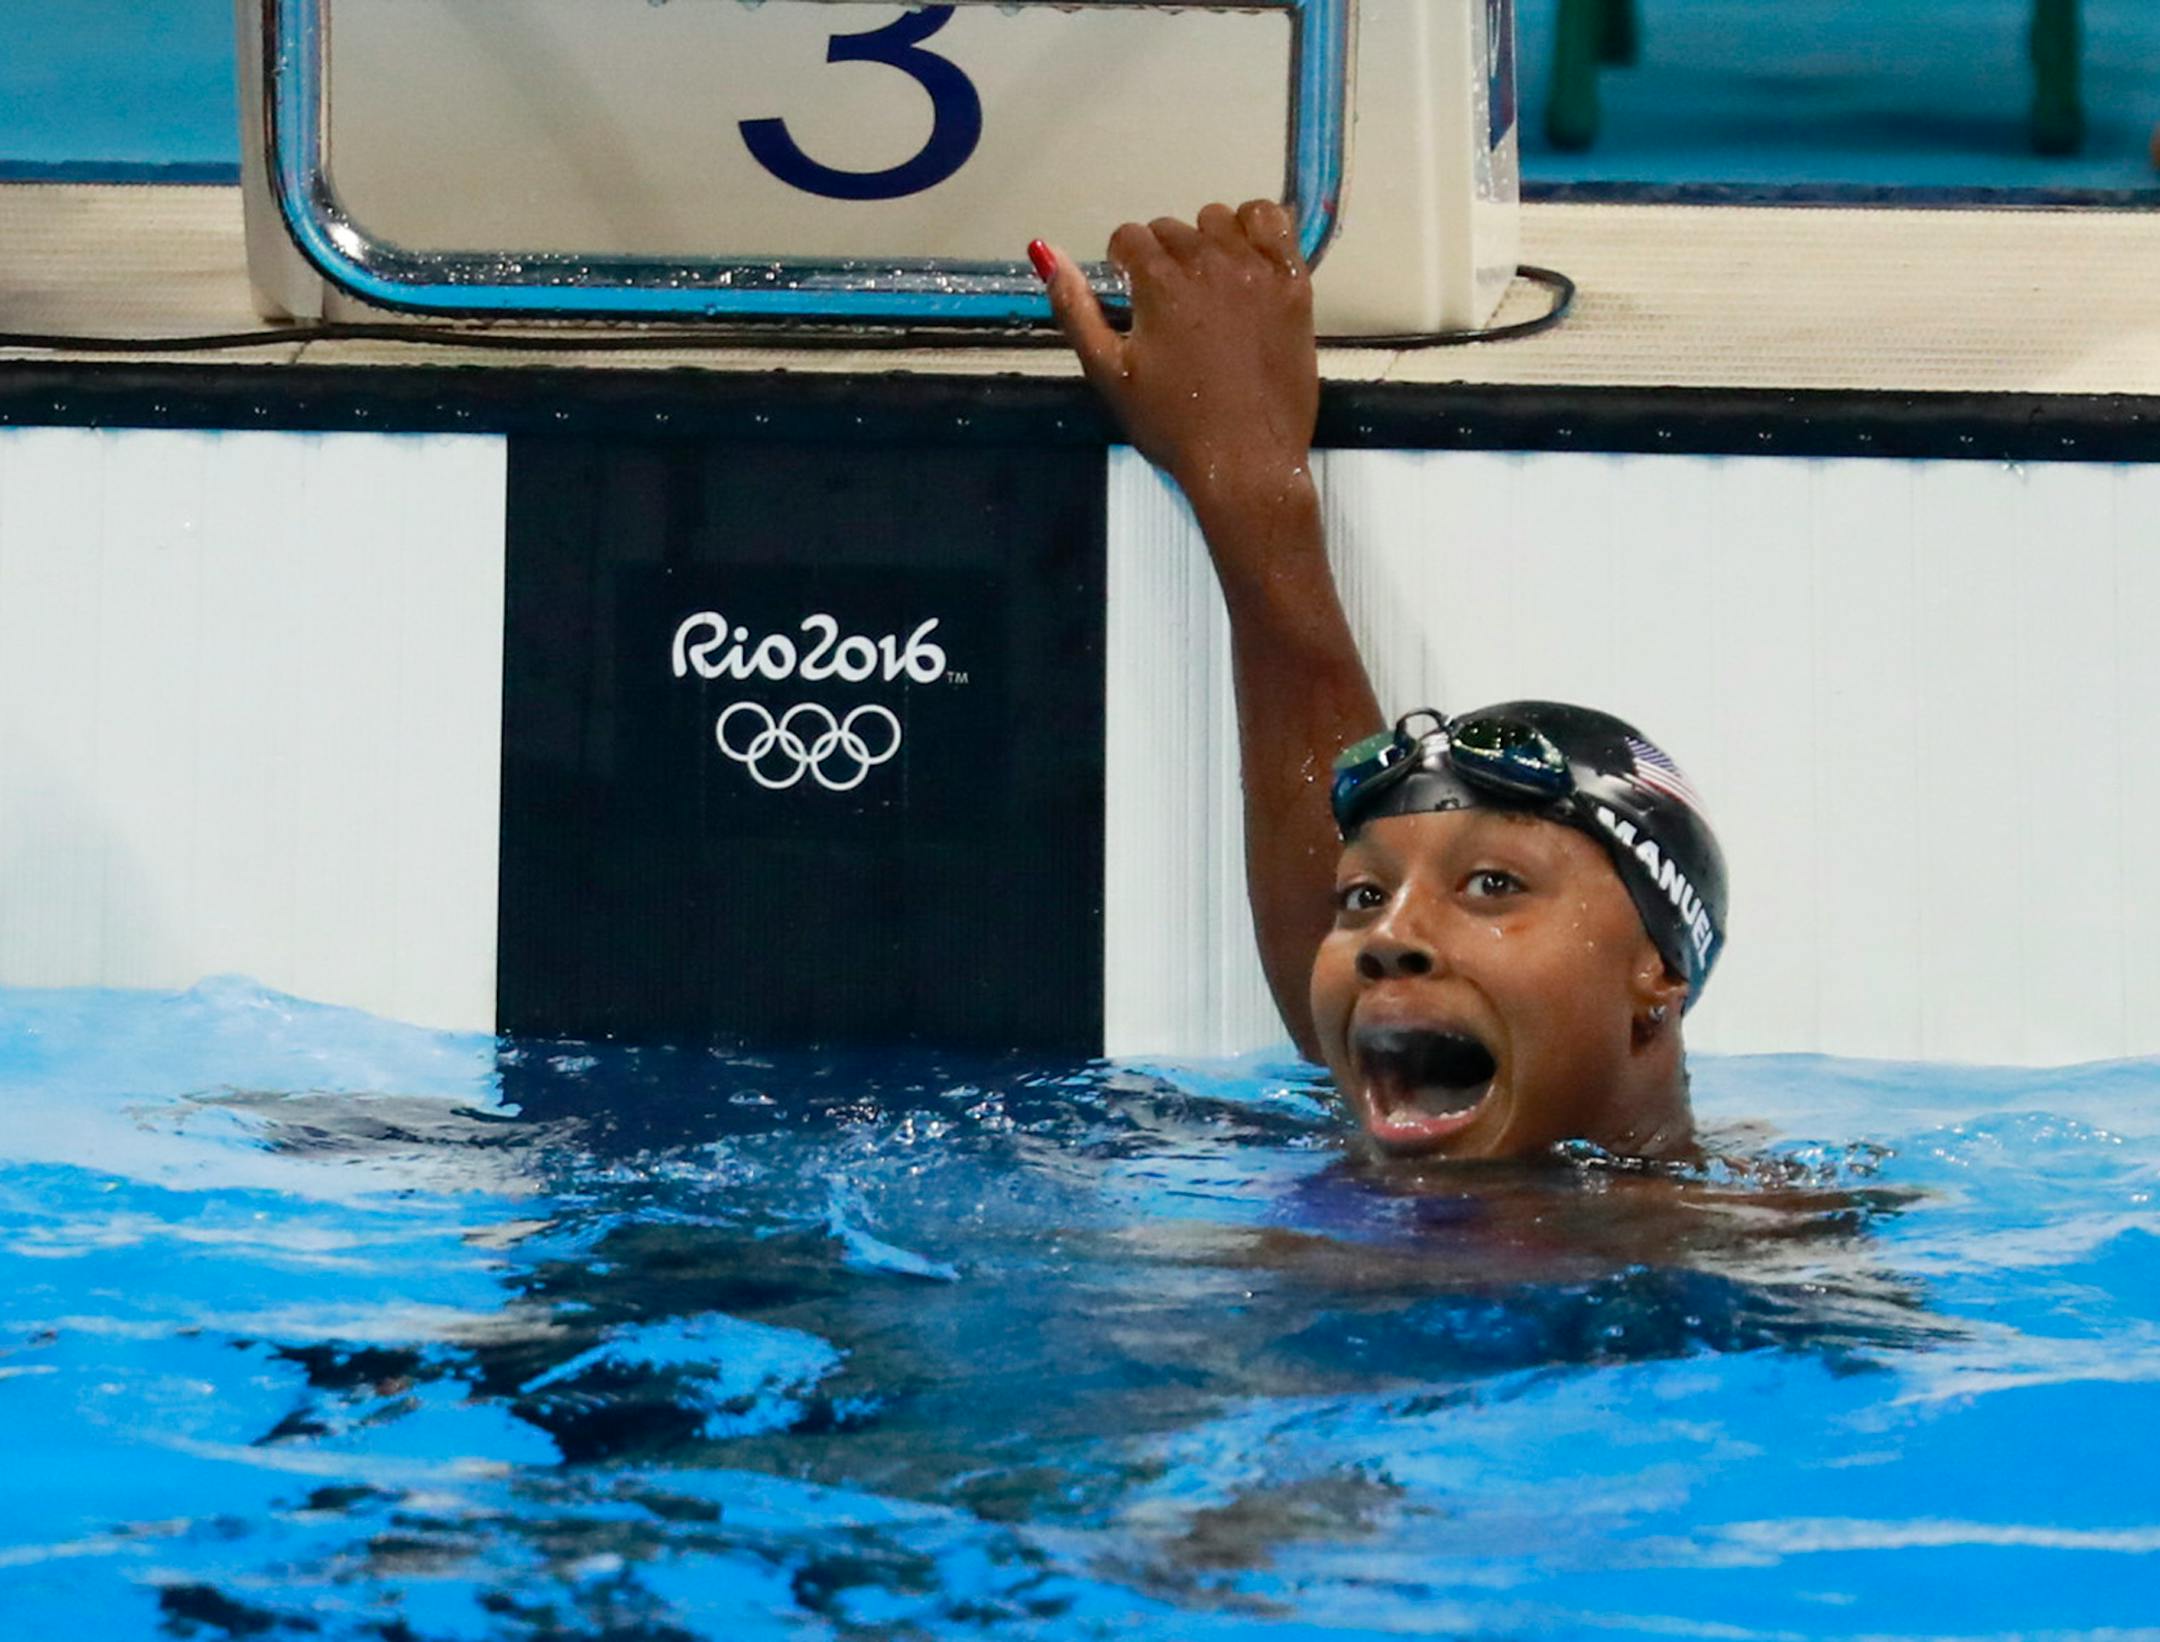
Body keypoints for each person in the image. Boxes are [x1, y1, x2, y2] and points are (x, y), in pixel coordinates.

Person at [1026, 205, 1726, 1166]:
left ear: (1658, 973)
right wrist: (1246, 479)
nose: (1388, 939)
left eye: (1492, 885)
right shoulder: (1359, 1153)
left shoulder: (1757, 1268)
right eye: (1360, 900)